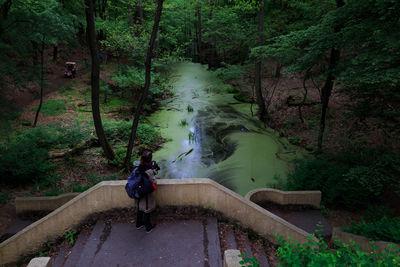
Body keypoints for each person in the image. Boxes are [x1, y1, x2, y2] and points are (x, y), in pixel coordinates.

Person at [135, 150, 157, 233]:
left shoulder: (138, 168)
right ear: (150, 159)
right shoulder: (149, 171)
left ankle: (138, 224)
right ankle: (148, 227)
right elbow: (154, 183)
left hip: (138, 191)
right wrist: (153, 172)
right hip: (146, 194)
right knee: (147, 209)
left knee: (139, 208)